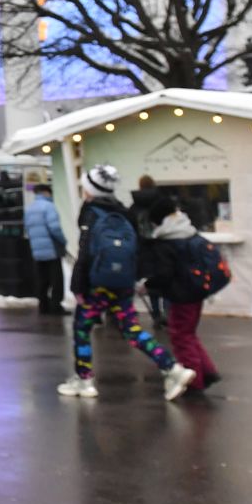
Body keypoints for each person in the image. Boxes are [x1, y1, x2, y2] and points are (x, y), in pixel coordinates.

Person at [59, 165, 194, 401]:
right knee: (132, 330)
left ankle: (84, 380)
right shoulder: (123, 211)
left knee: (82, 328)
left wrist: (78, 285)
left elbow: (85, 252)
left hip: (97, 283)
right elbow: (137, 248)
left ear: (91, 190)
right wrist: (134, 277)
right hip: (122, 282)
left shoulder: (91, 212)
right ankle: (172, 369)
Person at [141, 196, 222, 395]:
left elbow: (165, 274)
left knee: (181, 337)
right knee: (189, 334)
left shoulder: (168, 240)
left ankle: (195, 381)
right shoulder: (188, 232)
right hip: (196, 292)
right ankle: (207, 371)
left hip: (181, 295)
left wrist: (148, 285)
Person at [24, 183, 69, 316]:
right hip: (51, 249)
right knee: (56, 279)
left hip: (37, 249)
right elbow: (54, 228)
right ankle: (56, 305)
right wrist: (63, 241)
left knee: (42, 278)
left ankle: (43, 305)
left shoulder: (30, 208)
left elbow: (27, 228)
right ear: (46, 193)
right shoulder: (49, 207)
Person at [128, 174, 167, 327]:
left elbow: (130, 229)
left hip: (143, 249)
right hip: (162, 247)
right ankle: (168, 314)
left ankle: (156, 314)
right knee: (167, 281)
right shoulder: (162, 203)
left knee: (150, 283)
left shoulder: (134, 206)